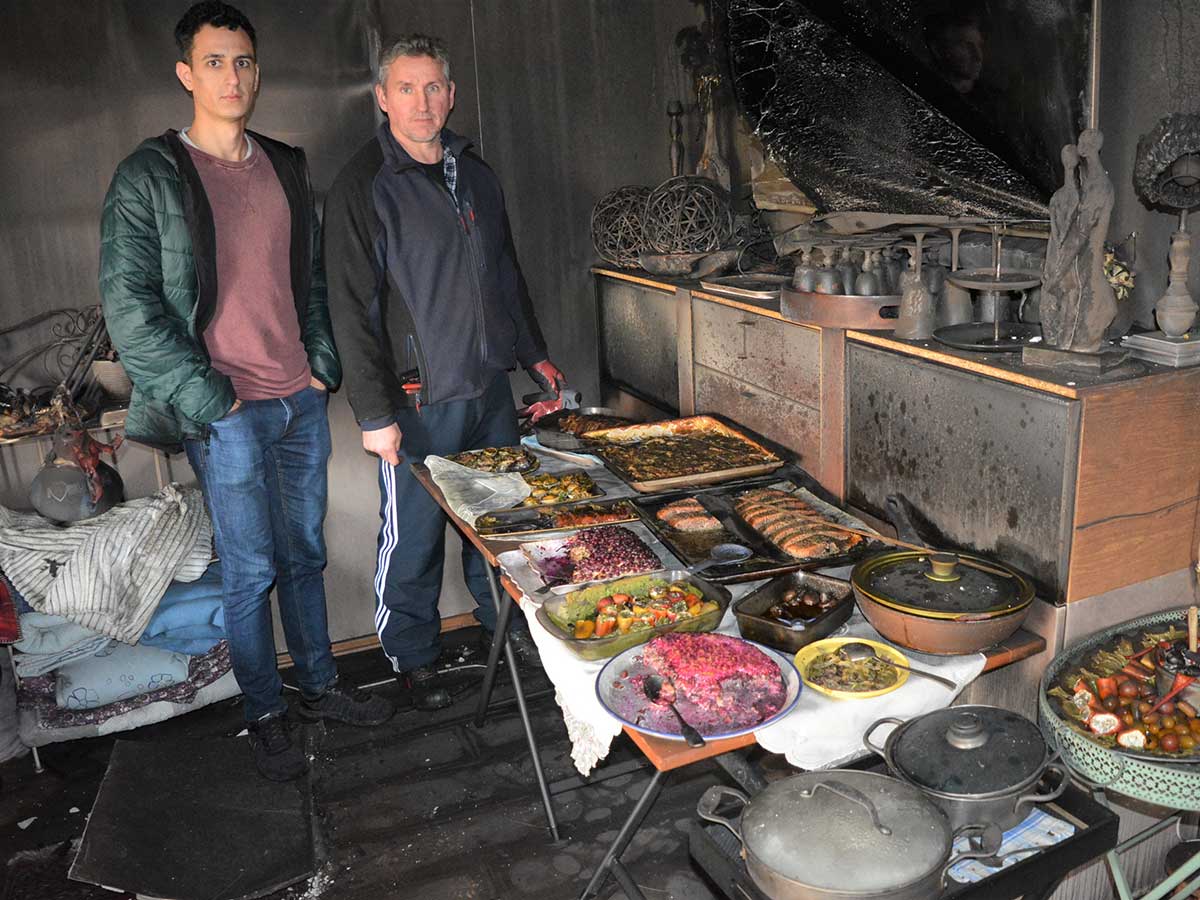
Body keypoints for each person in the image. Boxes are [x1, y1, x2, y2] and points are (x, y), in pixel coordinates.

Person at [98, 1, 393, 782]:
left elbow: (314, 280)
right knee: (251, 566)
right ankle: (265, 710)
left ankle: (322, 688)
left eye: (245, 61)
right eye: (217, 62)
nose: (234, 76)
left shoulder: (285, 166)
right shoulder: (150, 174)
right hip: (225, 414)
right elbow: (129, 308)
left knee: (303, 554)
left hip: (298, 400)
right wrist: (210, 399)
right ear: (186, 73)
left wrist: (323, 364)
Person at [323, 34, 565, 711]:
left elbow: (505, 274)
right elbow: (350, 308)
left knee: (500, 522)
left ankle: (503, 631)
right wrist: (373, 414)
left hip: (488, 386)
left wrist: (533, 353)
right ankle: (413, 657)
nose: (422, 102)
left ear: (451, 95)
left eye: (434, 88)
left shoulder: (475, 174)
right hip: (416, 400)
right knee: (415, 535)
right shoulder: (363, 186)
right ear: (382, 98)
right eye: (407, 88)